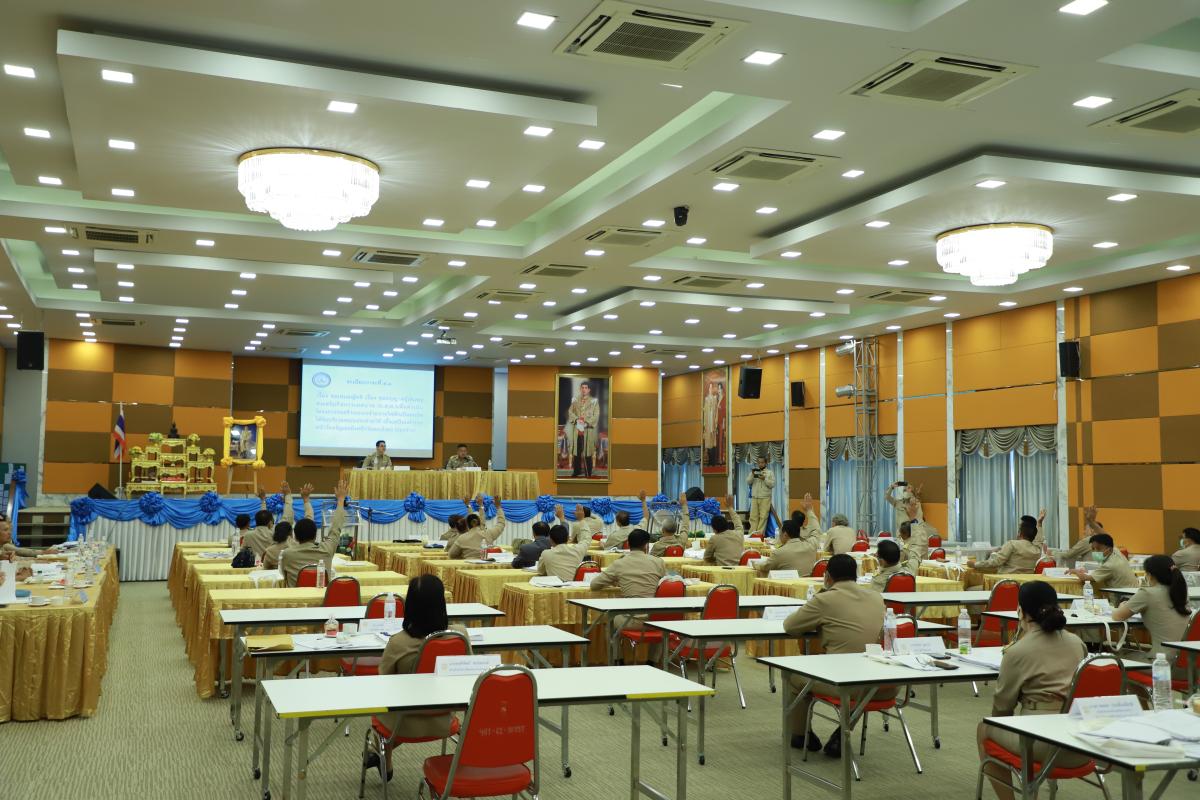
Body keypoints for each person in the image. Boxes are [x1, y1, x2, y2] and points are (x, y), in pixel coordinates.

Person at [976, 580, 1090, 800]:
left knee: (984, 728)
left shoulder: (1018, 651)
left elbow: (1002, 708)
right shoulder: (1077, 643)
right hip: (1081, 740)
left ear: (1021, 611)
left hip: (1040, 743)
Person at [782, 554, 889, 756]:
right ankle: (841, 735)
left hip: (843, 682)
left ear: (827, 576)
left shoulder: (825, 599)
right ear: (855, 575)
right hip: (881, 683)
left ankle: (801, 735)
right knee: (860, 684)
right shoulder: (876, 597)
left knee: (793, 677)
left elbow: (790, 626)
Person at [366, 575, 470, 778]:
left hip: (403, 723)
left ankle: (380, 751)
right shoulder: (459, 635)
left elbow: (382, 683)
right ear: (442, 603)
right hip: (445, 719)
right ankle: (379, 751)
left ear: (410, 605)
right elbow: (467, 676)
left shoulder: (399, 642)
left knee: (384, 711)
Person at [590, 529, 668, 664]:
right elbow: (665, 584)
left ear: (628, 544)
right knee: (663, 623)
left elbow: (594, 585)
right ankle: (652, 662)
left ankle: (618, 661)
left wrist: (616, 580)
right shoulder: (658, 562)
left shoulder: (619, 563)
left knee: (609, 621)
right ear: (646, 546)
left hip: (630, 620)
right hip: (654, 620)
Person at [1112, 555, 1192, 675]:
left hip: (1161, 665)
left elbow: (1117, 616)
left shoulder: (1147, 593)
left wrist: (1122, 606)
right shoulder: (1182, 593)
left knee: (1115, 659)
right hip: (1188, 667)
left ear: (1150, 575)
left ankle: (1134, 689)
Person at [279, 480, 348, 587]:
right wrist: (341, 500)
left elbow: (284, 576)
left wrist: (297, 498)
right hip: (322, 597)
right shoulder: (326, 550)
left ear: (295, 537)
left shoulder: (287, 554)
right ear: (315, 535)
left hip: (296, 598)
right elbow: (336, 529)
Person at [973, 517, 1042, 576]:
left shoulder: (1012, 544)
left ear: (1020, 533)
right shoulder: (1037, 549)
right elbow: (1039, 541)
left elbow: (996, 562)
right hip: (1025, 585)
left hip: (1006, 583)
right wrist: (1039, 523)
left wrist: (975, 564)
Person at [1070, 532, 1139, 590]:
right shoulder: (1117, 553)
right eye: (1093, 549)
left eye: (1098, 549)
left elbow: (1086, 578)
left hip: (1123, 598)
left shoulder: (1109, 565)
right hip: (1133, 593)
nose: (1095, 552)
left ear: (1109, 549)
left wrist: (1076, 572)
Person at [446, 494, 506, 560]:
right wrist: (498, 507)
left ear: (467, 526)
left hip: (467, 565)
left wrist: (463, 556)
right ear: (480, 523)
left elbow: (451, 555)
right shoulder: (489, 534)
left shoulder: (462, 538)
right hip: (487, 565)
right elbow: (501, 523)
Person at [753, 519, 819, 576]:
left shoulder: (779, 553)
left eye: (780, 532)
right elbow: (816, 530)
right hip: (808, 585)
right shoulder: (812, 546)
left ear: (785, 534)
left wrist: (753, 563)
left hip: (787, 585)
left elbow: (764, 567)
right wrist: (810, 511)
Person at [566, 380, 600, 477]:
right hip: (577, 429)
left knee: (587, 452)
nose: (584, 389)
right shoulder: (575, 400)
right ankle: (576, 471)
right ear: (580, 389)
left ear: (589, 390)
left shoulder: (594, 401)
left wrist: (586, 422)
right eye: (582, 388)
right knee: (577, 452)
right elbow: (570, 412)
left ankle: (588, 471)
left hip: (587, 430)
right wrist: (577, 420)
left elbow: (596, 415)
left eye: (586, 388)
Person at [704, 500, 746, 567]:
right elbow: (738, 522)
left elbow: (707, 558)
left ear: (714, 529)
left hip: (722, 571)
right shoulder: (739, 534)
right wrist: (730, 508)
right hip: (740, 570)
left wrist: (717, 558)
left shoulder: (714, 539)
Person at [746, 456, 775, 536]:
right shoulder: (754, 472)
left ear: (766, 463)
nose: (760, 464)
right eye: (759, 462)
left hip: (765, 497)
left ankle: (759, 535)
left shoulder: (769, 473)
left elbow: (772, 484)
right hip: (754, 497)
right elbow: (748, 482)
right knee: (753, 517)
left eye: (762, 462)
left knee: (763, 517)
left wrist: (765, 479)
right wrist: (752, 475)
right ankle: (752, 534)